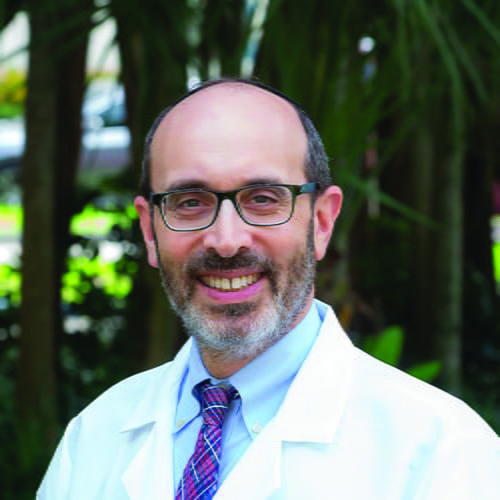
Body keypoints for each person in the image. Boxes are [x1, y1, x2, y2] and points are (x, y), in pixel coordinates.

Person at [38, 79, 500, 499]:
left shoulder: (441, 453)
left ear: (322, 222)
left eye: (262, 199)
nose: (226, 240)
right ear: (149, 230)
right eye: (189, 202)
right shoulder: (94, 437)